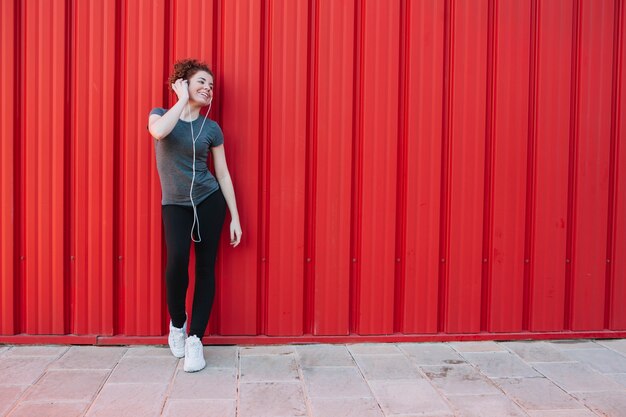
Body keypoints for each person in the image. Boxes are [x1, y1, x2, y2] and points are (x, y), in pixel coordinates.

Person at [148, 58, 242, 372]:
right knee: (176, 261)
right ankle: (178, 324)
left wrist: (236, 218)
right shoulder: (161, 114)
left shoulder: (212, 128)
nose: (208, 89)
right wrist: (179, 101)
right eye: (201, 82)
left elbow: (224, 174)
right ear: (184, 83)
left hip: (208, 200)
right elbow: (159, 133)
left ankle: (196, 340)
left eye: (211, 86)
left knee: (205, 268)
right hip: (175, 204)